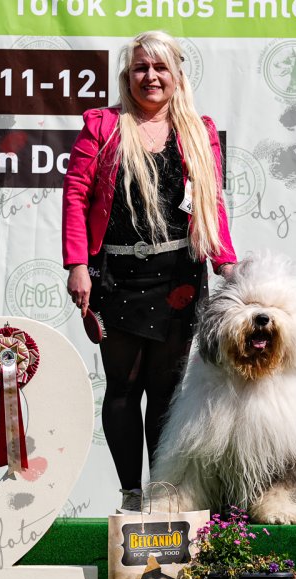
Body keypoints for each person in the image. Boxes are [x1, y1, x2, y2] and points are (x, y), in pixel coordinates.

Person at [61, 30, 237, 512]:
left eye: (160, 68)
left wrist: (226, 261)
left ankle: (162, 492)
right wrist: (77, 264)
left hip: (180, 278)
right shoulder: (101, 126)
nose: (151, 77)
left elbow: (211, 203)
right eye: (141, 67)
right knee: (122, 388)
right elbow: (76, 196)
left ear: (177, 76)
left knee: (165, 393)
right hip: (115, 277)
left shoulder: (198, 131)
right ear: (128, 75)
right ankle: (130, 495)